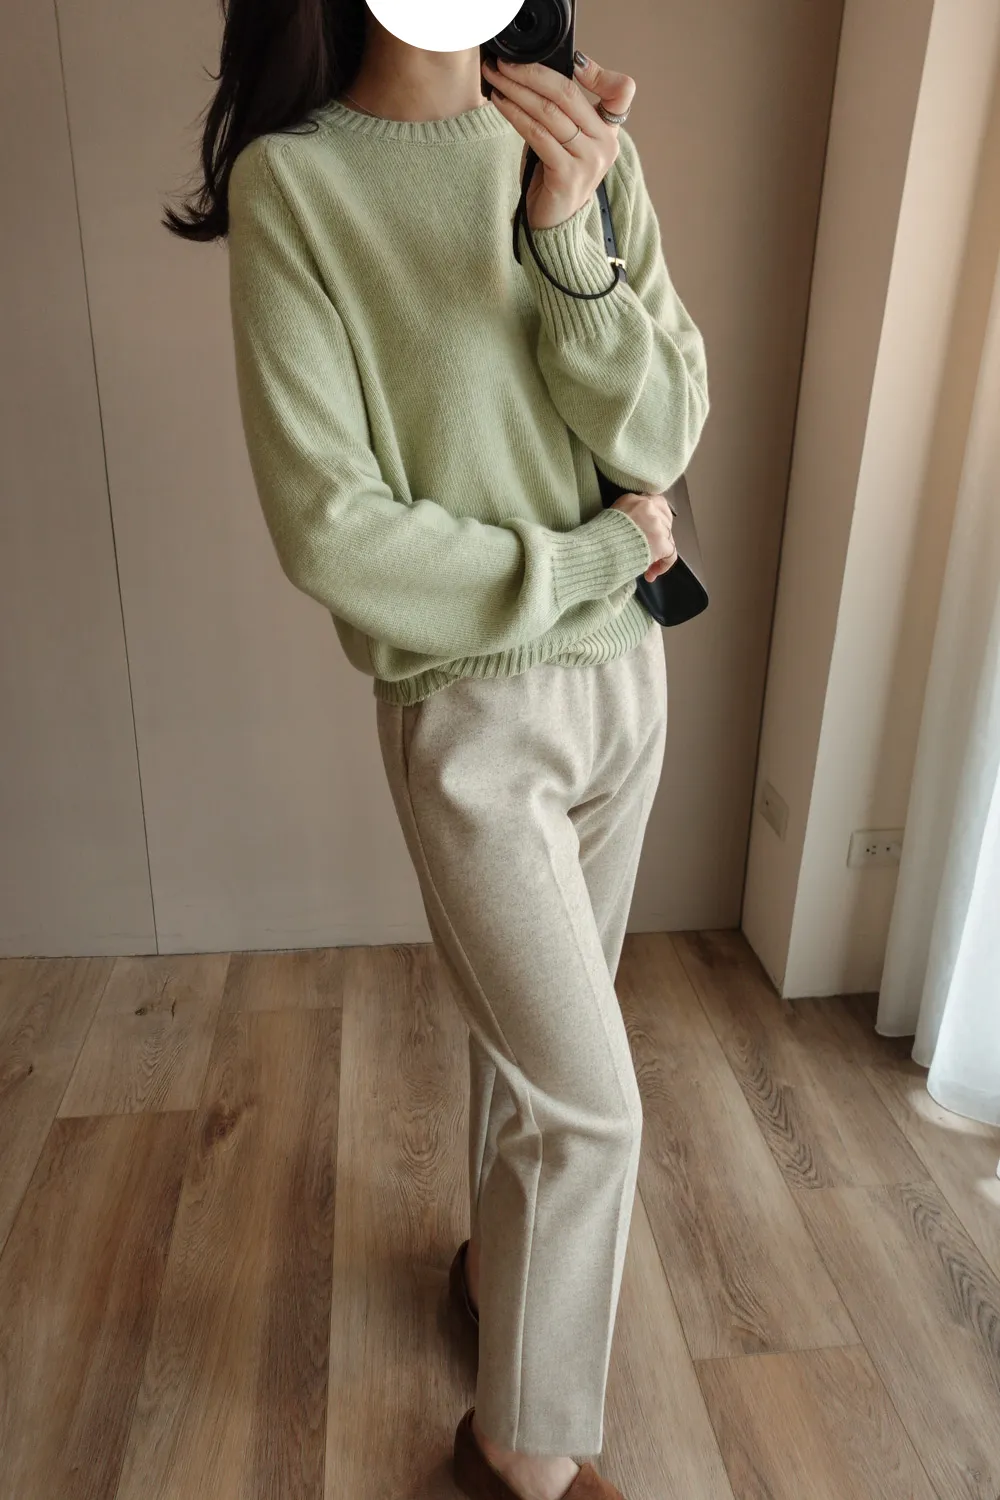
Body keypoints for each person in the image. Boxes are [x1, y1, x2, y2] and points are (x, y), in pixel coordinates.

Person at [166, 4, 709, 1497]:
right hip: (474, 710)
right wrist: (593, 561)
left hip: (628, 685)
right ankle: (518, 1456)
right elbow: (331, 528)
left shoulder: (586, 143)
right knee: (591, 1107)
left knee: (535, 1062)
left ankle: (495, 1272)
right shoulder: (301, 184)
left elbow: (662, 436)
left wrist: (570, 240)